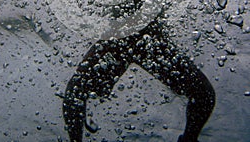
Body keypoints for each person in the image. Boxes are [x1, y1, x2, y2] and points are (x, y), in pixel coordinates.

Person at [63, 15, 215, 142]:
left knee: (204, 94)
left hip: (141, 36)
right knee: (77, 88)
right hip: (126, 35)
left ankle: (189, 139)